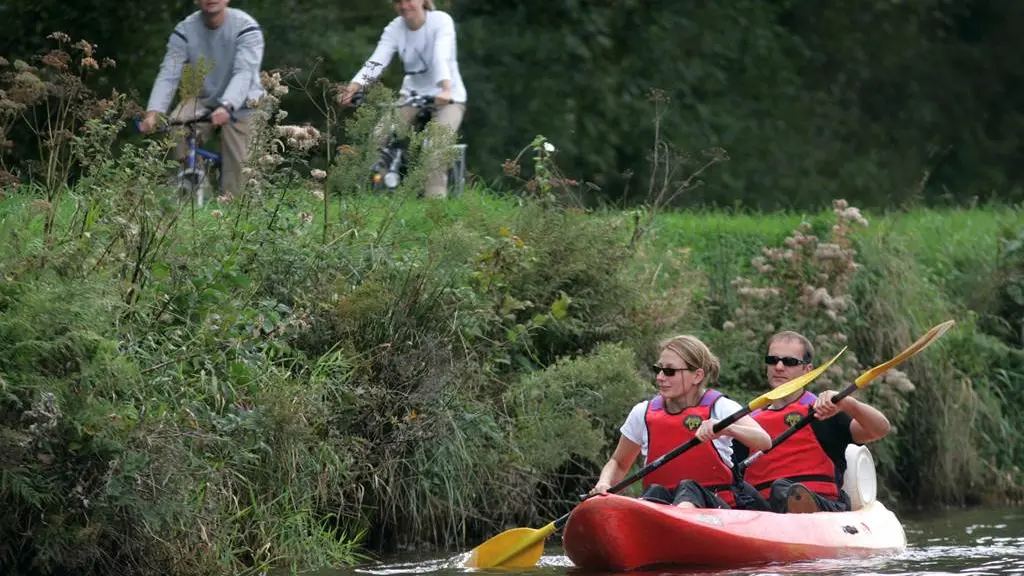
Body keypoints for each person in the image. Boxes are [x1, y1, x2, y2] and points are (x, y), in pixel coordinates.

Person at [588, 335, 771, 509]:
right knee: (655, 491)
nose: (660, 377)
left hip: (715, 509)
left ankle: (678, 520)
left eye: (670, 371)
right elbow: (619, 463)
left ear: (697, 376)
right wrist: (604, 483)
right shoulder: (642, 413)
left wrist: (728, 429)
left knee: (688, 488)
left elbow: (764, 441)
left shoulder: (720, 407)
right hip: (662, 508)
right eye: (658, 369)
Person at [732, 330, 892, 514]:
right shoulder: (749, 422)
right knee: (737, 489)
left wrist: (848, 403)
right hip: (766, 512)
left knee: (782, 488)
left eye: (789, 362)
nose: (779, 367)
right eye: (772, 360)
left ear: (807, 370)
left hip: (821, 506)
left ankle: (798, 508)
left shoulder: (822, 412)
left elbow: (880, 429)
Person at [337, 0, 467, 200]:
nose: (404, 6)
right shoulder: (395, 28)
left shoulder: (441, 21)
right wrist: (355, 86)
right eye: (398, 1)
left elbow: (441, 55)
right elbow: (378, 60)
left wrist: (445, 88)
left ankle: (435, 206)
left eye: (408, 0)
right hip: (413, 95)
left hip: (448, 96)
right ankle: (373, 197)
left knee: (434, 148)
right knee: (378, 135)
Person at [138, 0, 266, 203]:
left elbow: (244, 73)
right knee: (177, 127)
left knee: (240, 170)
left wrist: (227, 105)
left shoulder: (245, 27)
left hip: (243, 103)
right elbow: (169, 74)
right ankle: (195, 192)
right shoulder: (185, 30)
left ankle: (232, 210)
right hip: (204, 99)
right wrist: (153, 112)